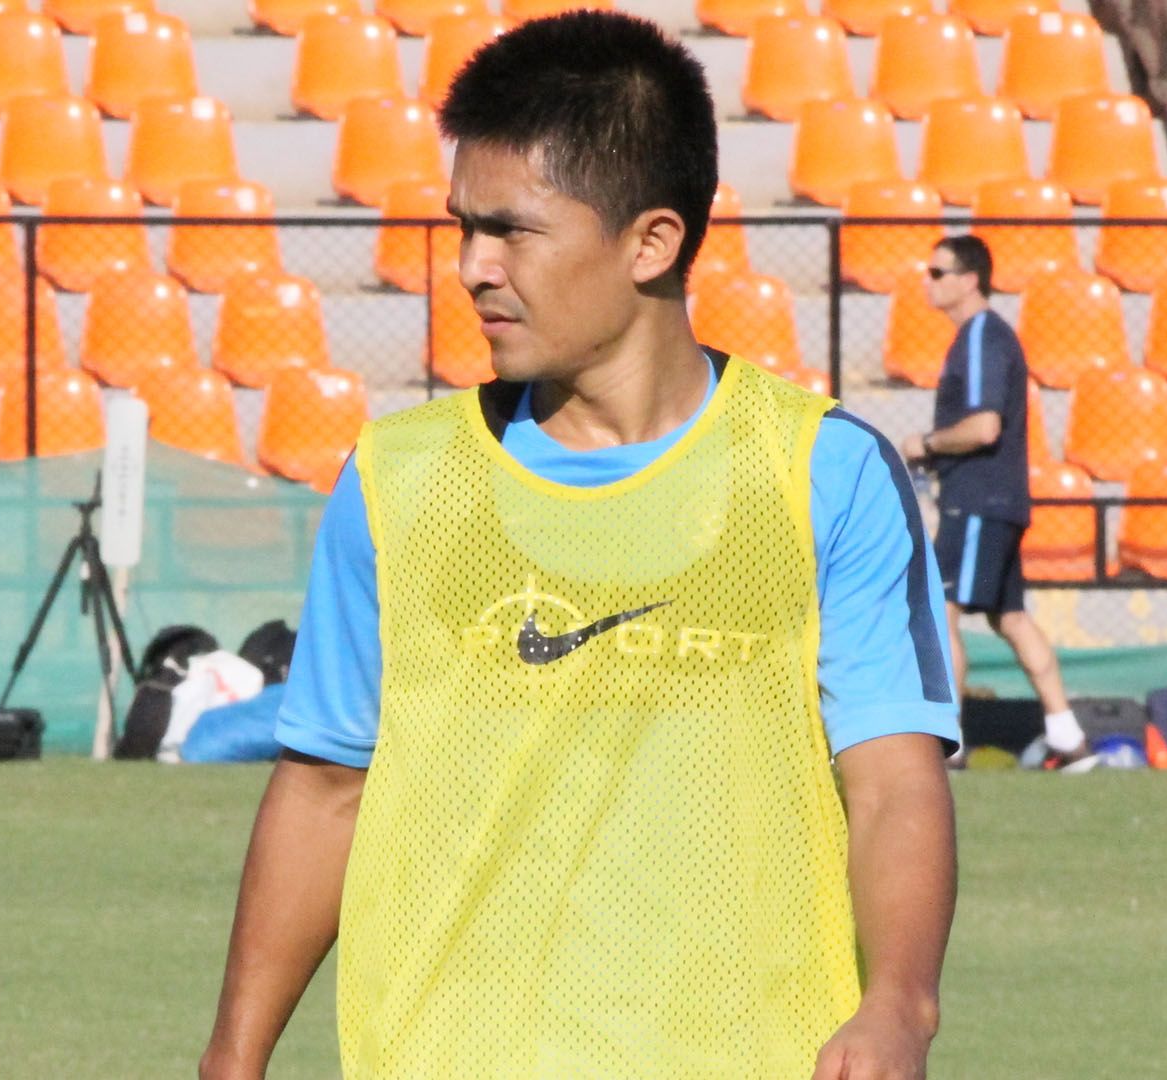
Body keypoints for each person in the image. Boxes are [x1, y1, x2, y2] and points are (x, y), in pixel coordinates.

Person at [202, 13, 959, 1078]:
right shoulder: (397, 480)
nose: (472, 267)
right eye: (464, 227)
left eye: (511, 230)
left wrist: (897, 1005)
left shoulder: (822, 474)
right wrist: (232, 1058)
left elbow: (890, 781)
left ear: (651, 241)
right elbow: (325, 789)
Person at [900, 236, 1091, 770]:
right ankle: (1067, 736)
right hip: (996, 501)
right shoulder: (980, 337)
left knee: (943, 612)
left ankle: (948, 741)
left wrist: (927, 444)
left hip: (979, 501)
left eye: (938, 272)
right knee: (1011, 618)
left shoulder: (982, 335)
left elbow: (985, 426)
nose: (928, 281)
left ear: (969, 279)